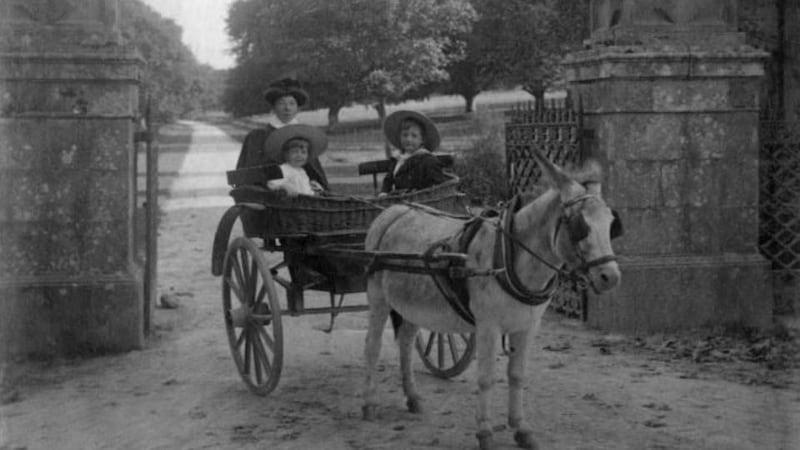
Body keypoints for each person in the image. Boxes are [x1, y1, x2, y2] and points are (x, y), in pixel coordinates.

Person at [235, 78, 328, 189]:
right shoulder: (258, 136)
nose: (287, 108)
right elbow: (248, 176)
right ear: (273, 107)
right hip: (267, 195)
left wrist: (314, 183)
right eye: (281, 103)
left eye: (292, 104)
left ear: (298, 108)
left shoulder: (304, 135)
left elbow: (314, 172)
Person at [380, 110, 450, 195]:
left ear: (422, 140)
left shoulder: (428, 161)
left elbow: (438, 186)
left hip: (422, 201)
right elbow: (388, 180)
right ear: (400, 137)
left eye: (414, 136)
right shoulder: (398, 159)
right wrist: (384, 192)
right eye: (405, 135)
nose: (409, 140)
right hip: (400, 200)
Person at [264, 124, 328, 196]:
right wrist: (284, 187)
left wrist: (313, 188)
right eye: (294, 152)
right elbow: (272, 183)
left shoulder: (301, 170)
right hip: (291, 203)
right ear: (286, 154)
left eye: (303, 153)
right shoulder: (284, 169)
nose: (299, 156)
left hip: (306, 201)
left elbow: (304, 189)